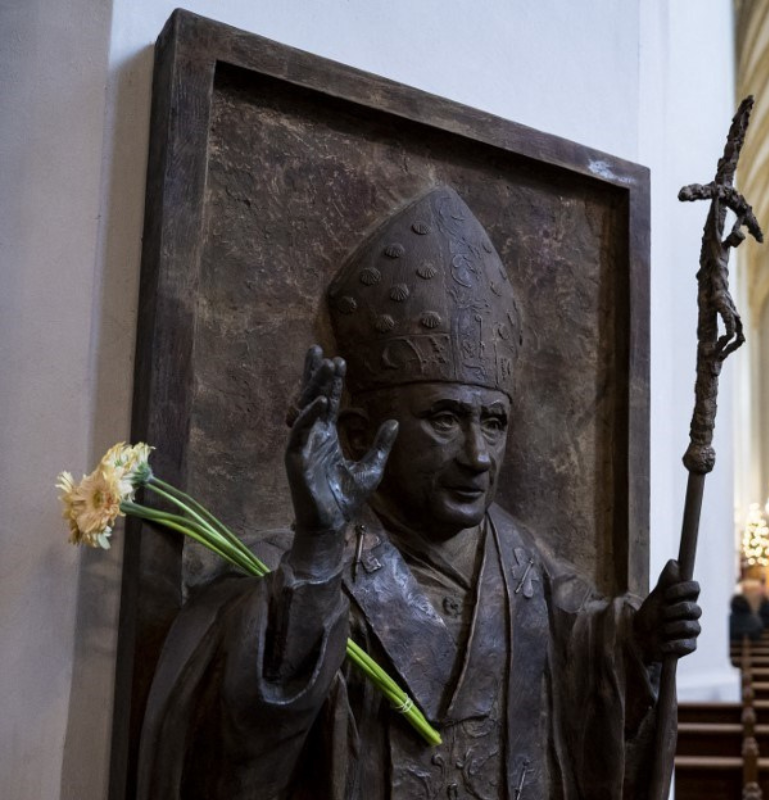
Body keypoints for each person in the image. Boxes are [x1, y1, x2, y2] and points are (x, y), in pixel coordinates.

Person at [136, 187, 702, 799]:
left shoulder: (525, 568)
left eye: (493, 422)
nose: (478, 456)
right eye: (444, 418)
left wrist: (639, 640)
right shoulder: (294, 568)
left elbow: (585, 649)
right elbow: (233, 740)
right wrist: (320, 551)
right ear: (359, 433)